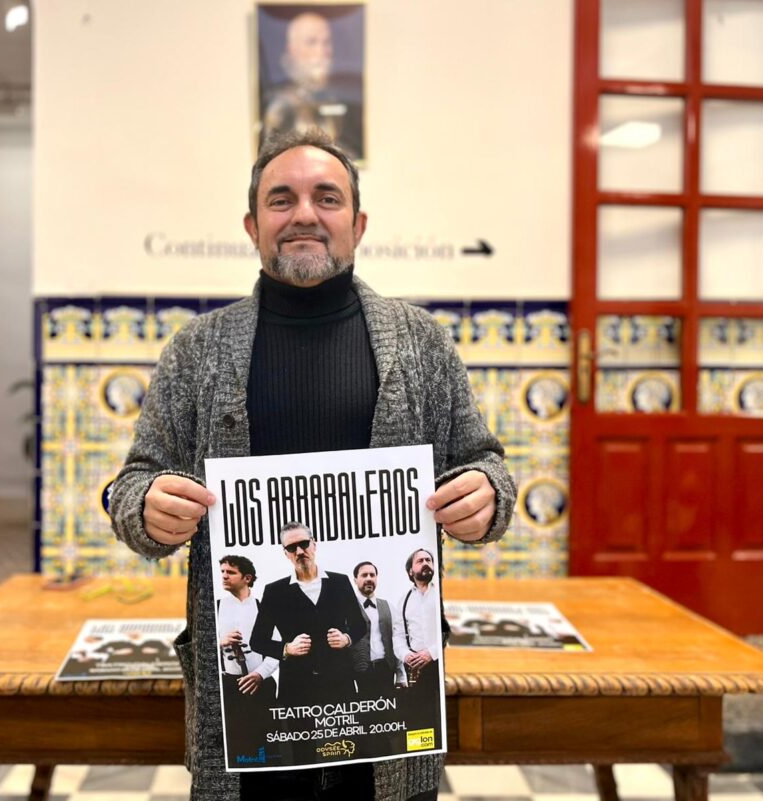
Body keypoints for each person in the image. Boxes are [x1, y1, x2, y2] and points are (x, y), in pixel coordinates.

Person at [110, 128, 516, 801]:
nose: (304, 214)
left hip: (386, 722)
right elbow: (131, 486)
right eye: (281, 199)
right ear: (252, 225)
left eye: (327, 198)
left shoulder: (422, 343)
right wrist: (146, 506)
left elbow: (485, 463)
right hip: (252, 728)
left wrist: (488, 496)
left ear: (358, 223)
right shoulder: (197, 350)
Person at [249, 523, 366, 707]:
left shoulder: (340, 582)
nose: (299, 551)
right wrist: (287, 649)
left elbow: (360, 625)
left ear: (314, 544)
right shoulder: (274, 592)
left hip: (339, 684)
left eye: (304, 544)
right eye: (291, 547)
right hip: (296, 688)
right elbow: (257, 641)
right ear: (285, 553)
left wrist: (346, 638)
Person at [261, 11, 363, 159]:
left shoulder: (338, 97)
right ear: (292, 49)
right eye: (311, 42)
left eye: (326, 42)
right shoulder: (280, 105)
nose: (321, 51)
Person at [216, 555, 278, 756]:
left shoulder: (263, 608)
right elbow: (201, 649)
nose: (224, 576)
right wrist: (220, 642)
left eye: (231, 572)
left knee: (266, 744)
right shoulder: (215, 607)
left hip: (261, 685)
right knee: (235, 746)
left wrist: (259, 674)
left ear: (247, 578)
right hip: (228, 686)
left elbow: (278, 649)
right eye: (222, 571)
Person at [392, 549, 443, 742]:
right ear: (410, 571)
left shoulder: (441, 593)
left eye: (429, 560)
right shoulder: (404, 600)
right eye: (420, 561)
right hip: (418, 669)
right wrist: (406, 655)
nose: (426, 563)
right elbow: (398, 636)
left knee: (443, 715)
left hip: (441, 664)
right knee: (420, 718)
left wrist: (432, 652)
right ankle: (422, 753)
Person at [350, 561, 400, 698]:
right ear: (355, 580)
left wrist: (401, 675)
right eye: (364, 575)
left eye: (372, 575)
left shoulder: (388, 606)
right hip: (359, 673)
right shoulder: (347, 607)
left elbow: (397, 640)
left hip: (386, 670)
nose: (369, 578)